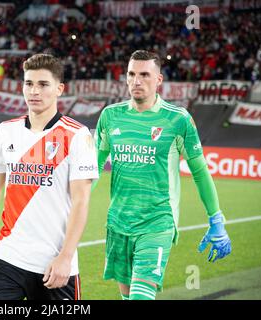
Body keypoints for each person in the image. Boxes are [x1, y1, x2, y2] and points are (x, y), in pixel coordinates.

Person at [94, 50, 232, 300]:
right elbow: (93, 168)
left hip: (157, 223)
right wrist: (69, 204)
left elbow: (200, 171)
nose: (137, 81)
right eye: (131, 74)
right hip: (118, 222)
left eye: (144, 74)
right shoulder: (110, 116)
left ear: (158, 79)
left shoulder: (177, 120)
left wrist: (216, 218)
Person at [0, 53, 98, 300]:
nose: (34, 91)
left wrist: (66, 257)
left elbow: (81, 201)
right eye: (29, 83)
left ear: (59, 89)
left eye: (43, 84)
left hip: (54, 264)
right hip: (9, 256)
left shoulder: (77, 136)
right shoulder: (5, 132)